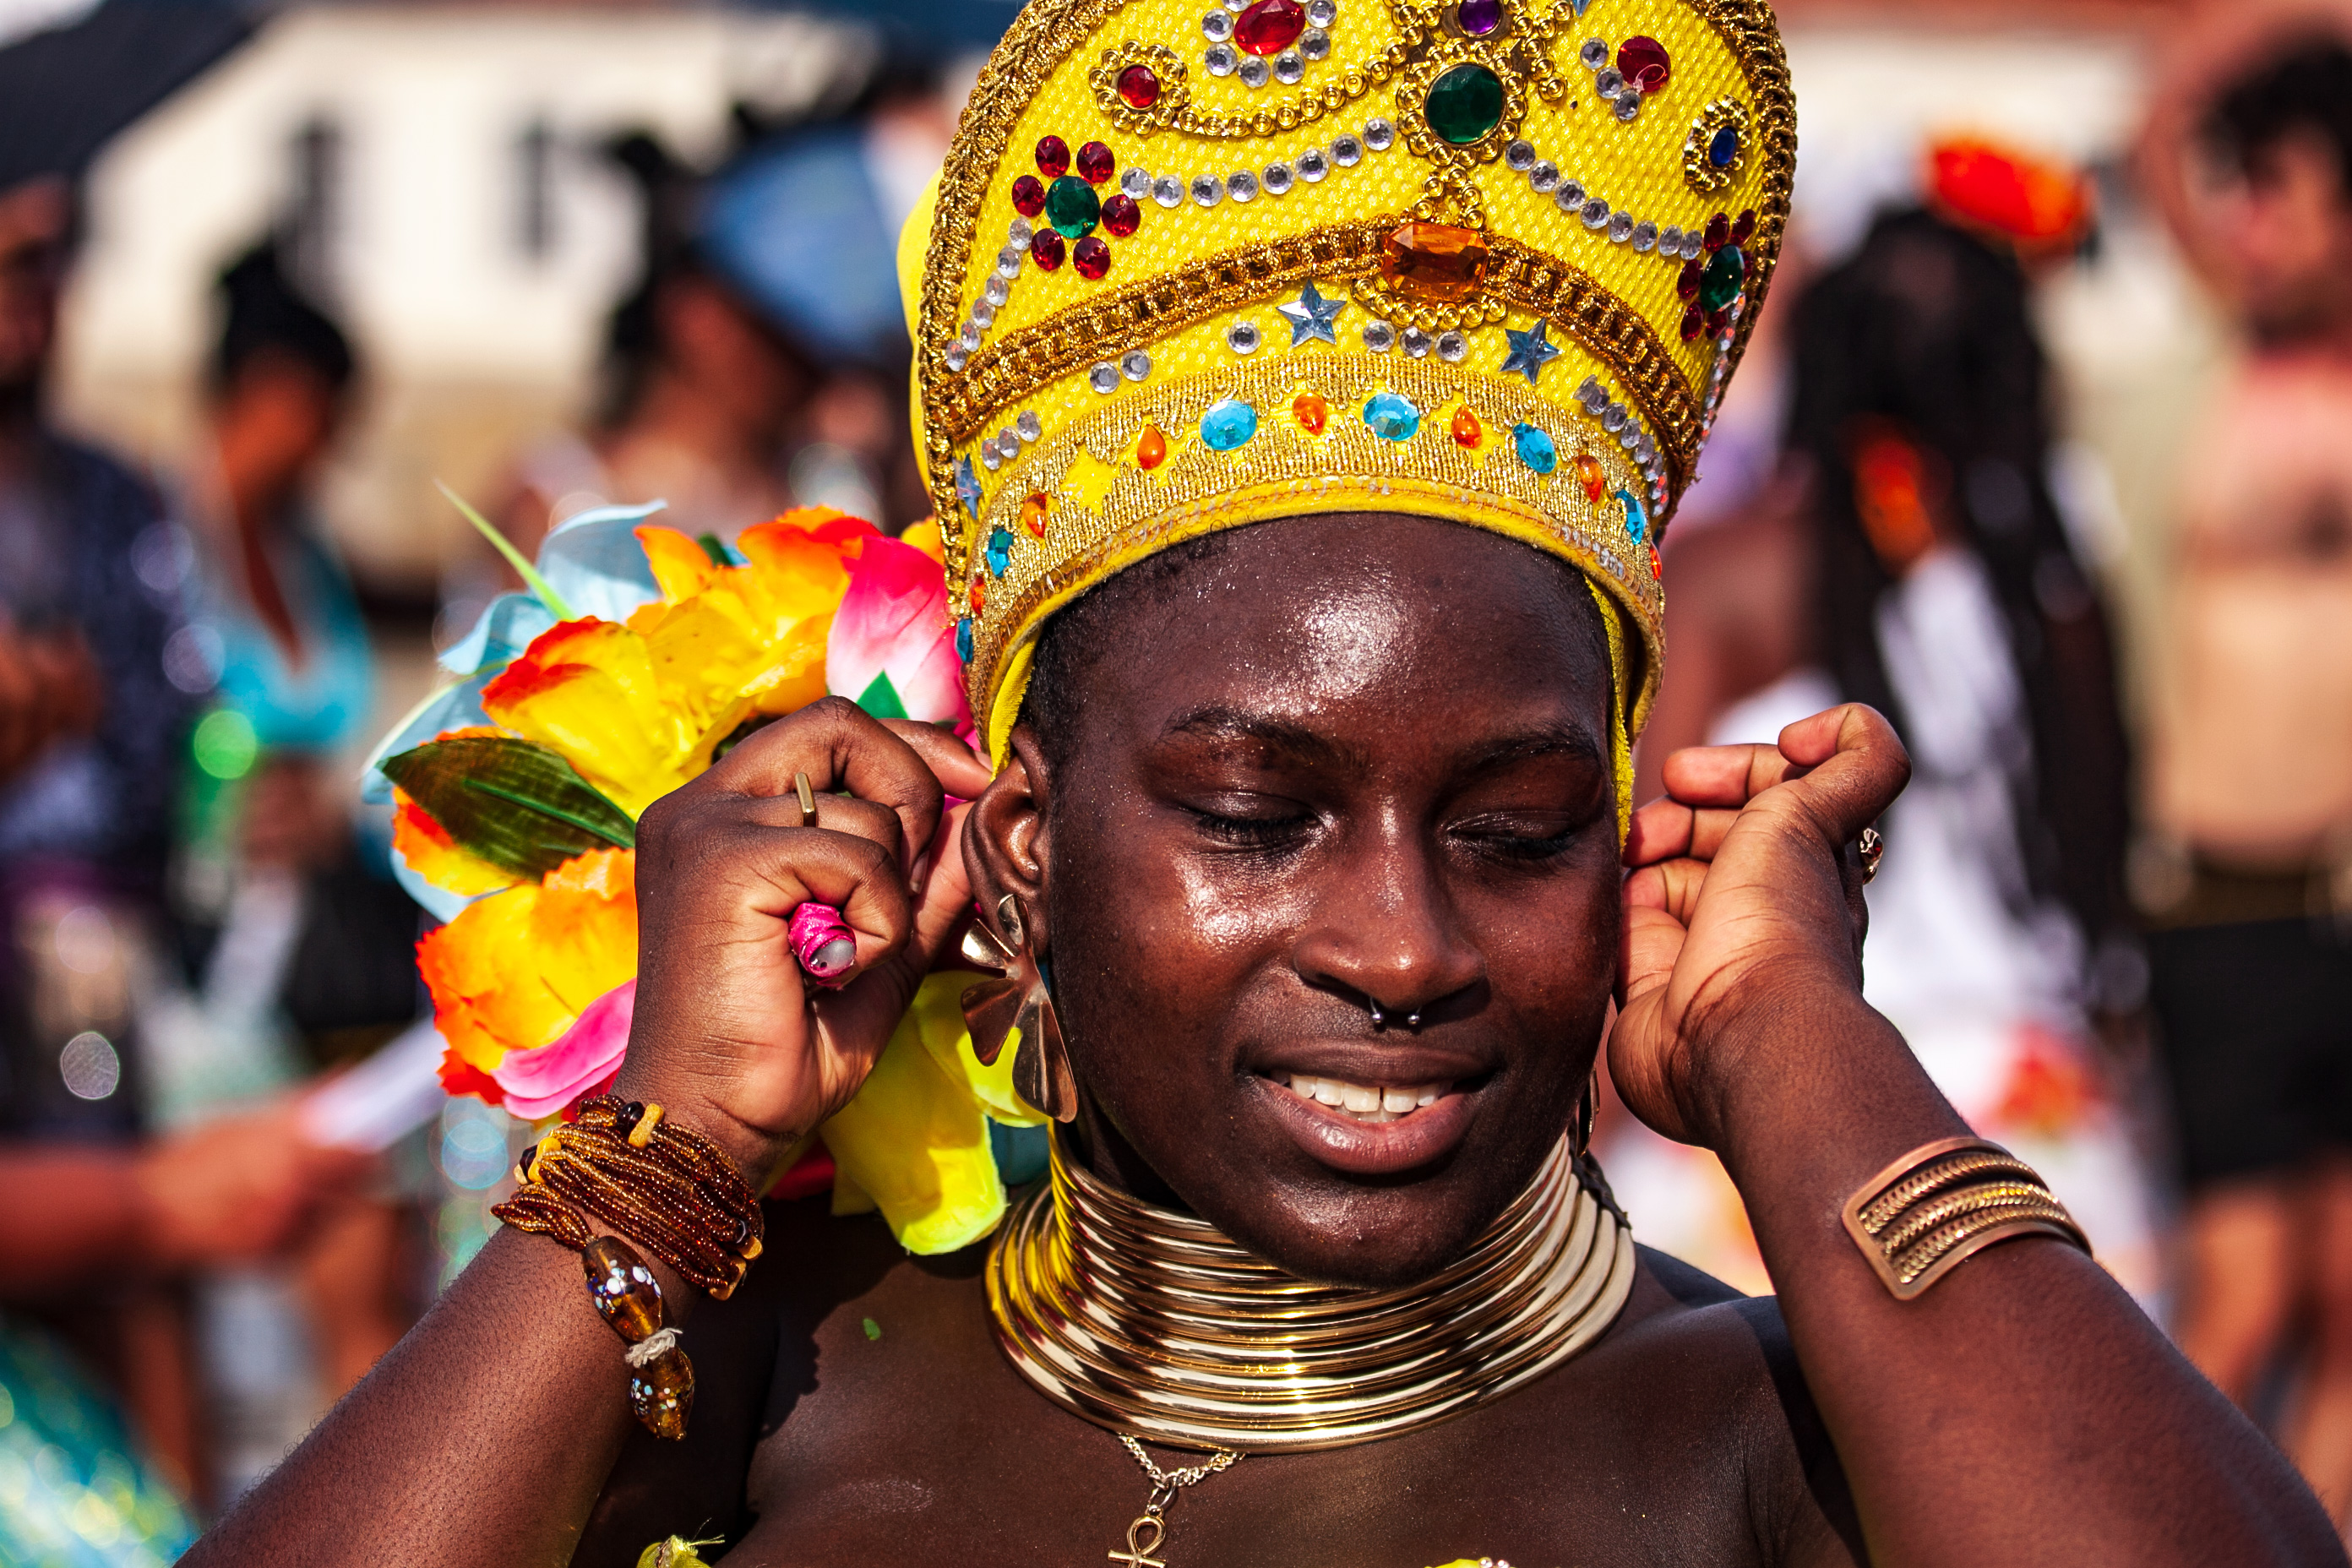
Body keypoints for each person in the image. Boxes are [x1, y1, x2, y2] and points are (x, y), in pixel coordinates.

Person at [189, 3, 2333, 1563]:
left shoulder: (1755, 1445)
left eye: (1513, 831)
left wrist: (1798, 1045)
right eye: (1248, 813)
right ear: (1014, 855)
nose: (1403, 943)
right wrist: (670, 1153)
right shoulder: (774, 1382)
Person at [1614, 144, 2156, 1298]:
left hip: (1772, 1119)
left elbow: (1644, 861)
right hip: (2038, 1128)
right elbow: (2103, 850)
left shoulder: (1733, 573)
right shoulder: (2056, 586)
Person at [2137, 19, 2352, 1522]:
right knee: (2243, 1296)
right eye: (2239, 189)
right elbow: (2167, 146)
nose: (2247, 223)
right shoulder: (2207, 372)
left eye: (2280, 189)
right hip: (2221, 898)